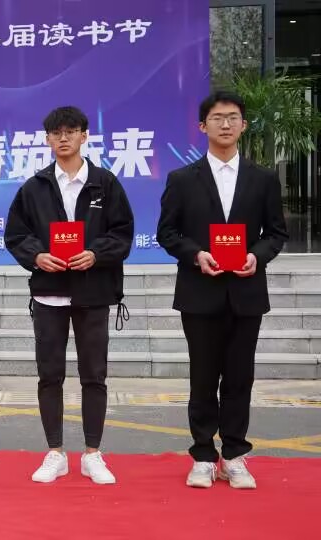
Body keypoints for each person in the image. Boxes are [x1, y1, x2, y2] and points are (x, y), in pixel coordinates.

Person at [157, 91, 287, 490]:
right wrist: (196, 254)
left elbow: (276, 233)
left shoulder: (263, 178)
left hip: (246, 293)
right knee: (202, 377)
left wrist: (256, 256)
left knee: (239, 378)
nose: (225, 124)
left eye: (233, 117)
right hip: (200, 292)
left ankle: (233, 455)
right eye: (217, 118)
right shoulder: (182, 179)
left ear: (244, 125)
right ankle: (202, 455)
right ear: (203, 126)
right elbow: (167, 233)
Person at [5, 106, 134, 485]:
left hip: (93, 293)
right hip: (49, 295)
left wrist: (96, 254)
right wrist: (36, 256)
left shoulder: (105, 184)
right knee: (50, 375)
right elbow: (16, 234)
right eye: (56, 133)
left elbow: (122, 233)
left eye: (71, 131)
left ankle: (93, 453)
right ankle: (55, 453)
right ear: (47, 139)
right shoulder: (34, 187)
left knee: (94, 375)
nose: (64, 138)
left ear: (84, 135)